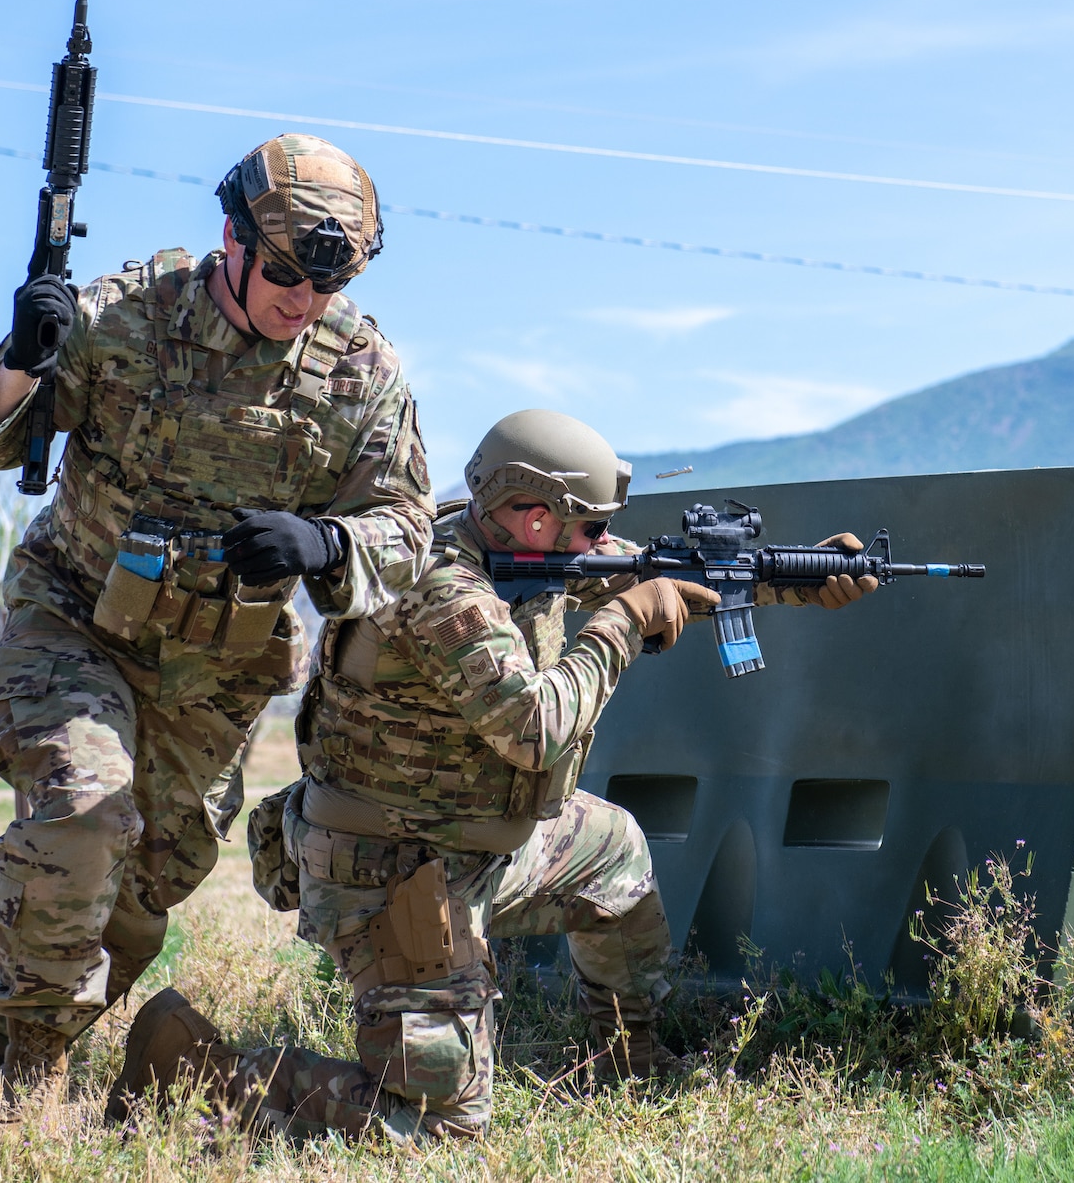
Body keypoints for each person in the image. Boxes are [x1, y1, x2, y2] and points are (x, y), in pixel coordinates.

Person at [104, 410, 877, 1141]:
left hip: (479, 842)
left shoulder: (522, 548)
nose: (601, 543)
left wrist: (789, 578)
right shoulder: (441, 587)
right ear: (534, 517)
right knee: (440, 1126)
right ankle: (192, 1069)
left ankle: (628, 1058)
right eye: (591, 526)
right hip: (393, 872)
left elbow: (648, 571)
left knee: (614, 850)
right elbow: (536, 730)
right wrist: (623, 622)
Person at [0, 135, 435, 1120]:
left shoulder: (360, 370)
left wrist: (324, 542)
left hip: (218, 665)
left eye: (329, 283)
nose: (303, 300)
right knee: (84, 813)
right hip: (77, 617)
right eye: (285, 273)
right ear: (232, 238)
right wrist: (22, 362)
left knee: (142, 896)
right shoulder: (127, 316)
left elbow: (405, 527)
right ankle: (16, 1087)